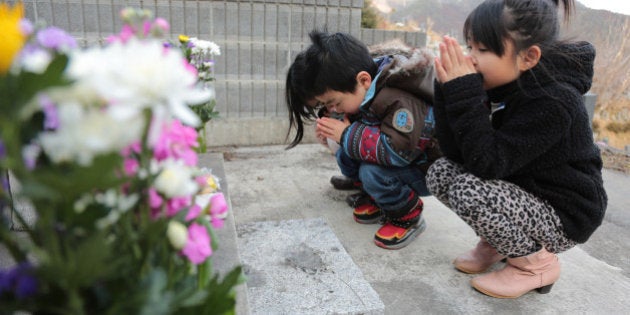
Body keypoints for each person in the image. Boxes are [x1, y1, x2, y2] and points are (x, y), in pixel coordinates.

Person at [427, 0, 607, 298]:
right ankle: (501, 243)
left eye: (482, 50)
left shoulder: (555, 101)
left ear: (528, 57)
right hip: (525, 191)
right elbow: (461, 156)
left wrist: (463, 91)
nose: (470, 58)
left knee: (468, 190)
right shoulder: (509, 85)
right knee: (442, 173)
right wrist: (447, 90)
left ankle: (535, 265)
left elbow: (487, 164)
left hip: (564, 212)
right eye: (469, 47)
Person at [285, 30, 440, 249]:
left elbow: (396, 150)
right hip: (401, 160)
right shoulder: (368, 91)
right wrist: (335, 134)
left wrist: (347, 134)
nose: (333, 109)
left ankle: (407, 214)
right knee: (345, 153)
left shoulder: (398, 96)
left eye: (335, 103)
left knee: (372, 172)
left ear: (363, 80)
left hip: (423, 169)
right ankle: (375, 195)